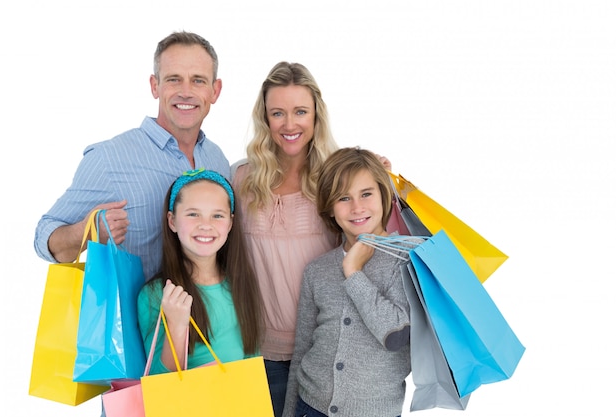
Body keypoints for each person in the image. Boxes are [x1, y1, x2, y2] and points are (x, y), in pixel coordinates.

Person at [231, 62, 391, 416]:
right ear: (265, 118)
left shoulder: (338, 179)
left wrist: (383, 181)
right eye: (278, 113)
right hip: (255, 353)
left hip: (329, 352)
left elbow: (377, 242)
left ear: (316, 115)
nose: (290, 124)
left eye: (300, 111)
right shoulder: (241, 179)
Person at [34, 31, 229, 281]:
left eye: (198, 80)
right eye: (174, 79)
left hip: (209, 319)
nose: (186, 92)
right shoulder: (109, 159)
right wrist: (86, 232)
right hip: (135, 319)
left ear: (215, 90)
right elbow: (44, 238)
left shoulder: (218, 161)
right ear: (154, 85)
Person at [282, 147, 419, 417]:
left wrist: (354, 272)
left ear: (385, 195)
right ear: (330, 209)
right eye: (343, 198)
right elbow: (301, 352)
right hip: (310, 407)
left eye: (366, 194)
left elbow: (396, 334)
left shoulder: (406, 260)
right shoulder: (317, 270)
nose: (357, 208)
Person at [137, 168, 263, 374]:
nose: (206, 225)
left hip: (239, 404)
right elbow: (159, 384)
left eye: (217, 215)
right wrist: (176, 326)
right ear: (172, 221)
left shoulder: (240, 284)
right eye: (193, 214)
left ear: (230, 223)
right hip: (188, 406)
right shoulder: (156, 294)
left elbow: (252, 361)